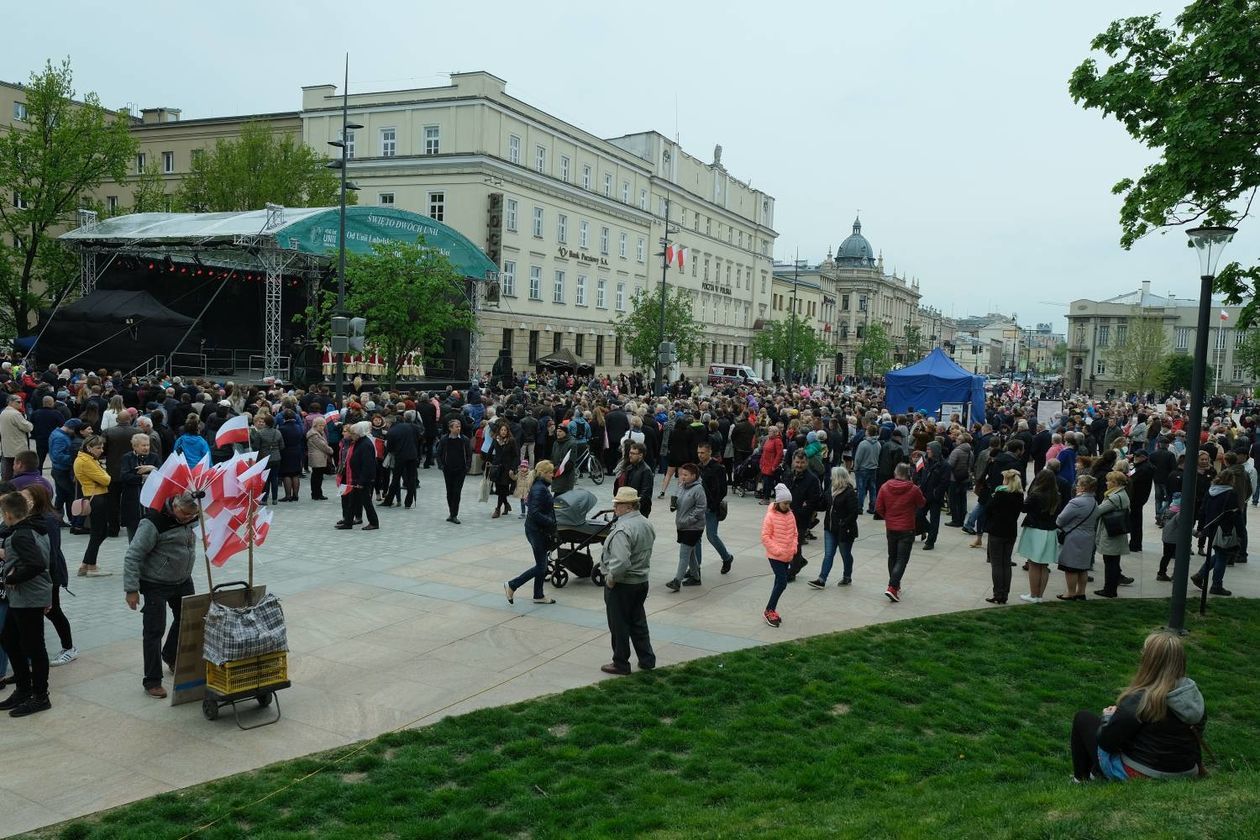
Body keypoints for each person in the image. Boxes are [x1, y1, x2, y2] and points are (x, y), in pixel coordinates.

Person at [1069, 631, 1205, 782]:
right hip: (1186, 771)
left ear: (1149, 661)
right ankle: (1096, 774)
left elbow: (1107, 743)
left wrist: (1108, 718)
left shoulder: (1141, 699)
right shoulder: (1191, 696)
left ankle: (1080, 780)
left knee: (1083, 718)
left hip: (1146, 773)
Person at [123, 491, 200, 699]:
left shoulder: (193, 517)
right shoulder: (153, 522)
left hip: (183, 580)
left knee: (188, 619)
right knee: (154, 630)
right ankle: (152, 680)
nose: (188, 519)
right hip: (155, 583)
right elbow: (133, 555)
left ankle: (170, 654)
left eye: (192, 516)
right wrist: (131, 589)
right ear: (174, 505)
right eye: (184, 514)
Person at [0, 490, 52, 717]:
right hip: (24, 597)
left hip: (29, 597)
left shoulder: (21, 536)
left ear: (9, 515)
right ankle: (24, 688)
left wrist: (11, 578)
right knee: (9, 638)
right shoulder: (30, 528)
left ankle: (40, 696)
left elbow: (36, 564)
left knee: (34, 647)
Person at [597, 486, 656, 675]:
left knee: (619, 624)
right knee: (638, 621)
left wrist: (612, 579)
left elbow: (621, 561)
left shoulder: (623, 528)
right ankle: (647, 659)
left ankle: (621, 663)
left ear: (629, 506)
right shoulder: (645, 523)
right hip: (641, 581)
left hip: (623, 584)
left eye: (618, 504)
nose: (615, 508)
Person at [504, 459, 557, 606]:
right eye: (551, 472)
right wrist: (550, 521)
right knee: (541, 566)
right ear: (544, 473)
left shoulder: (540, 486)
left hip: (536, 530)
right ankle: (512, 585)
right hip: (536, 531)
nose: (553, 475)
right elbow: (534, 512)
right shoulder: (539, 488)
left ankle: (538, 595)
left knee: (542, 564)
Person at [875, 462, 926, 603]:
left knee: (892, 557)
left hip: (891, 527)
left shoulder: (885, 487)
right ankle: (892, 586)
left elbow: (878, 507)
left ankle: (894, 585)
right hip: (907, 528)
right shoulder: (913, 489)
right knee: (902, 559)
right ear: (908, 474)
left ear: (895, 472)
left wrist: (888, 517)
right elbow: (922, 503)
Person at [1192, 471, 1239, 597]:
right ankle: (1216, 585)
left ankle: (1200, 575)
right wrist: (1240, 532)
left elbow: (1202, 510)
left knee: (1218, 554)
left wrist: (1201, 527)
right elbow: (1234, 514)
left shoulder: (1211, 491)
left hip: (1210, 527)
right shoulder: (1231, 493)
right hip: (1224, 528)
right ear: (1231, 480)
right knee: (1222, 556)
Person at [810, 465, 858, 588]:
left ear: (839, 478)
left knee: (845, 554)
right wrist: (813, 503)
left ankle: (847, 576)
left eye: (833, 477)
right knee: (828, 554)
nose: (831, 478)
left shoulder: (849, 492)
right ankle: (822, 579)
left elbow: (853, 513)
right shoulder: (830, 490)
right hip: (830, 528)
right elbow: (823, 505)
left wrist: (843, 523)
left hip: (844, 530)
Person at [1017, 469, 1060, 603]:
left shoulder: (1036, 494)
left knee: (1034, 564)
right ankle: (1039, 595)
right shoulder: (1056, 495)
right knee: (1043, 565)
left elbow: (1024, 508)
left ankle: (1033, 594)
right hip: (1050, 530)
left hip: (1036, 530)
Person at [1056, 475, 1100, 601]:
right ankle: (1081, 592)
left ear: (1084, 488)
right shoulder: (1093, 501)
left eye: (1079, 485)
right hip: (1088, 537)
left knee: (1071, 567)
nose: (1076, 487)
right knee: (1082, 568)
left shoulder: (1076, 502)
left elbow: (1060, 519)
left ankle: (1070, 593)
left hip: (1074, 538)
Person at [74, 434, 112, 576]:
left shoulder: (88, 458)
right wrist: (104, 475)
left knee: (101, 531)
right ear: (89, 448)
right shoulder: (85, 461)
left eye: (102, 447)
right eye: (98, 447)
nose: (101, 450)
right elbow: (106, 479)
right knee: (98, 532)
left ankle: (87, 563)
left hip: (95, 496)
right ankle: (90, 566)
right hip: (96, 497)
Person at [760, 482, 798, 628]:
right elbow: (765, 537)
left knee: (779, 581)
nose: (787, 506)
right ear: (778, 502)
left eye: (789, 503)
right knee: (782, 582)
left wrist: (793, 547)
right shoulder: (770, 516)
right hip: (775, 555)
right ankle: (769, 610)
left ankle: (771, 610)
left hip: (787, 554)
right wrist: (777, 550)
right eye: (785, 503)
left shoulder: (790, 514)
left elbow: (795, 533)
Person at [984, 470, 1024, 605]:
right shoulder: (1019, 495)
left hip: (997, 531)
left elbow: (988, 508)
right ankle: (1004, 594)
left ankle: (997, 593)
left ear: (1007, 480)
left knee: (996, 564)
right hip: (1010, 531)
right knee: (1006, 563)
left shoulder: (1000, 494)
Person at [695, 442, 734, 575]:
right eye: (698, 452)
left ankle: (727, 558)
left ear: (709, 452)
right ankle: (696, 567)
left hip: (711, 507)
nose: (700, 455)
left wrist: (712, 504)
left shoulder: (718, 468)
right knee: (696, 538)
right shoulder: (698, 467)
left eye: (703, 453)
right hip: (699, 507)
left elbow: (722, 490)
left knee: (712, 536)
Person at [1093, 471, 1132, 599]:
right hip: (1117, 532)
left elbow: (1098, 511)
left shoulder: (1114, 497)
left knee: (1110, 563)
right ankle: (1110, 588)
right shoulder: (1122, 494)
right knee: (1113, 562)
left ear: (1115, 483)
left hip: (1111, 532)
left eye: (1109, 481)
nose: (1106, 483)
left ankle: (1109, 589)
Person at [667, 463, 706, 590]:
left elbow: (701, 508)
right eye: (681, 474)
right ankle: (695, 577)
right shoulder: (682, 486)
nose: (682, 477)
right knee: (690, 553)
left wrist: (689, 520)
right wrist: (674, 504)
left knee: (684, 553)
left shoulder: (698, 489)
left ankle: (677, 581)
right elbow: (679, 500)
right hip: (682, 525)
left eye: (686, 475)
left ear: (694, 476)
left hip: (693, 527)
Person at [337, 421, 379, 531]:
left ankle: (374, 522)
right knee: (352, 500)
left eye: (353, 433)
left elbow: (368, 465)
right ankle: (348, 522)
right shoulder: (360, 442)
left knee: (366, 502)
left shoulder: (365, 444)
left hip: (362, 479)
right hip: (356, 477)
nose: (351, 435)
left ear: (359, 433)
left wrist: (362, 481)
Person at [119, 433, 161, 541]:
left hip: (150, 501)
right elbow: (125, 476)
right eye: (143, 445)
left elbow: (162, 475)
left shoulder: (154, 457)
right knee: (133, 532)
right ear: (135, 446)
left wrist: (153, 469)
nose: (146, 448)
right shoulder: (127, 458)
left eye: (147, 445)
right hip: (133, 499)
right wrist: (143, 478)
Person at [382, 410, 422, 509]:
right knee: (411, 479)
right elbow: (419, 437)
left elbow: (389, 448)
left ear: (389, 422)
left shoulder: (391, 431)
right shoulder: (411, 426)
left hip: (400, 457)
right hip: (412, 455)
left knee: (396, 478)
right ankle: (409, 502)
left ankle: (389, 500)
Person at [916, 440, 950, 550]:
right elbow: (918, 473)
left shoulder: (944, 465)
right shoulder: (924, 461)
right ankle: (929, 530)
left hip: (935, 497)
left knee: (935, 519)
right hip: (924, 494)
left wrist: (936, 493)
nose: (927, 451)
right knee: (918, 514)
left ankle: (930, 541)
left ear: (935, 451)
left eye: (929, 449)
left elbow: (944, 482)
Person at [436, 418, 472, 524]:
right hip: (448, 469)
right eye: (456, 427)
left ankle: (454, 514)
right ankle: (451, 512)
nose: (459, 428)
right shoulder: (444, 439)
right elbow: (438, 453)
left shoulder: (464, 439)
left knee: (457, 492)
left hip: (460, 470)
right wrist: (441, 465)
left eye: (459, 426)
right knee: (449, 492)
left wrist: (467, 467)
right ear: (450, 428)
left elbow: (469, 454)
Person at [49, 417, 83, 524]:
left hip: (58, 469)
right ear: (72, 429)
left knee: (61, 495)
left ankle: (57, 519)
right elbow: (58, 456)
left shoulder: (57, 433)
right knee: (70, 494)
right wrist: (74, 459)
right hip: (61, 470)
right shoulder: (60, 438)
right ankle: (70, 519)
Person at [613, 441, 654, 519]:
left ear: (640, 455)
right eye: (630, 453)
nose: (630, 455)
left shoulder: (646, 471)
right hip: (628, 508)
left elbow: (645, 494)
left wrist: (633, 506)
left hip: (638, 510)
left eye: (633, 453)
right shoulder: (629, 468)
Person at [488, 423, 519, 519]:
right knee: (500, 489)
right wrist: (488, 463)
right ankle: (506, 504)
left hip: (507, 468)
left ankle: (497, 509)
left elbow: (516, 455)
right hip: (497, 468)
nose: (503, 432)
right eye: (502, 430)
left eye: (505, 430)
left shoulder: (511, 441)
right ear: (499, 431)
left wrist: (513, 468)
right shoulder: (496, 439)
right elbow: (490, 451)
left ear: (508, 431)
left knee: (503, 488)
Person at [0, 394, 33, 482]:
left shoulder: (3, 412)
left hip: (7, 446)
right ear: (10, 402)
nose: (21, 404)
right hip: (17, 447)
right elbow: (28, 427)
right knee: (19, 470)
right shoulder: (15, 414)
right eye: (18, 402)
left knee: (7, 470)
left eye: (21, 402)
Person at [1128, 449, 1153, 553]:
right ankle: (1136, 544)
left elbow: (1132, 478)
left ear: (1144, 457)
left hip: (1137, 498)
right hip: (1139, 498)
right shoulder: (1142, 466)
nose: (1135, 458)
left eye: (1138, 457)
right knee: (1136, 522)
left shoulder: (1143, 468)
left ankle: (1135, 544)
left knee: (1135, 523)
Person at [306, 416, 334, 501]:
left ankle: (317, 493)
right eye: (320, 425)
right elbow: (322, 445)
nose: (322, 427)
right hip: (317, 457)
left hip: (318, 457)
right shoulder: (314, 434)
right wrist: (330, 450)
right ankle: (316, 494)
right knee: (317, 476)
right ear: (315, 425)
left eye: (323, 425)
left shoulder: (317, 432)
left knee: (318, 476)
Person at [853, 425, 880, 514]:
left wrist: (856, 467)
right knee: (873, 489)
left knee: (861, 489)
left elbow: (858, 458)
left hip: (862, 469)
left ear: (868, 432)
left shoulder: (863, 444)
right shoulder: (878, 444)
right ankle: (872, 507)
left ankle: (859, 507)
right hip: (874, 468)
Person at [758, 426, 784, 504]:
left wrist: (774, 465)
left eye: (771, 431)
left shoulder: (777, 441)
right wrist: (761, 462)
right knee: (765, 482)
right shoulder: (768, 440)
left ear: (775, 433)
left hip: (771, 465)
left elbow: (779, 454)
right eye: (769, 431)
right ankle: (765, 497)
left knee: (768, 482)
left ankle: (767, 498)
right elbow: (764, 452)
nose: (769, 432)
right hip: (765, 464)